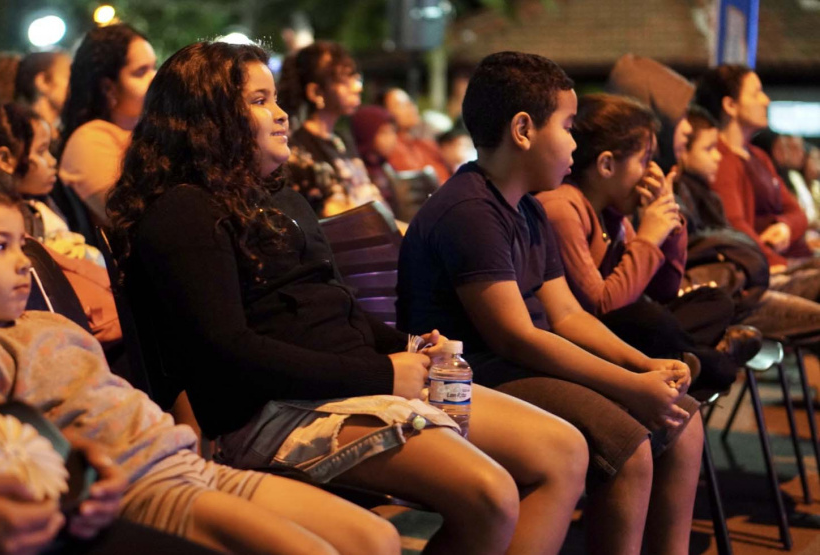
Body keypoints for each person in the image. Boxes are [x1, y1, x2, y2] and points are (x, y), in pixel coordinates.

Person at [108, 40, 589, 555]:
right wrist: (383, 375)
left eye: (275, 99)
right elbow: (229, 354)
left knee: (563, 452)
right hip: (272, 411)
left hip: (341, 385)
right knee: (489, 495)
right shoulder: (185, 211)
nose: (280, 115)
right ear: (206, 117)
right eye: (259, 101)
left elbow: (335, 312)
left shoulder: (279, 198)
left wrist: (408, 346)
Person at [0, 169, 401, 555]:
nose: (22, 262)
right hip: (141, 485)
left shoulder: (52, 325)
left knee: (376, 539)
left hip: (187, 461)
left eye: (21, 244)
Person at [397, 51, 703, 555]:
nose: (575, 143)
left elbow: (567, 315)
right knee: (629, 448)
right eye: (567, 126)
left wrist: (644, 365)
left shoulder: (529, 209)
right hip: (472, 375)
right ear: (523, 129)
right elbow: (515, 337)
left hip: (517, 366)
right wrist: (632, 386)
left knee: (682, 418)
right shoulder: (471, 210)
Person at [537, 93, 757, 393]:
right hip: (588, 339)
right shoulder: (563, 207)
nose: (651, 171)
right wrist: (649, 236)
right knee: (647, 319)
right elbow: (602, 306)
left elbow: (663, 289)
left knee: (714, 302)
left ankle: (688, 359)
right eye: (644, 160)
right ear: (606, 165)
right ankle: (704, 362)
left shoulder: (614, 212)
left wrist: (669, 227)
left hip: (624, 327)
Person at [0, 104, 120, 346]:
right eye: (42, 151)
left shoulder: (39, 207)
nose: (52, 161)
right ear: (5, 159)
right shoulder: (11, 218)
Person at [694, 65, 817, 279]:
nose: (765, 100)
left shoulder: (758, 156)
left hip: (792, 261)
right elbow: (736, 228)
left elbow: (798, 214)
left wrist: (786, 228)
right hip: (771, 270)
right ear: (730, 105)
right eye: (756, 93)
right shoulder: (721, 160)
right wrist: (776, 262)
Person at [59, 24, 156, 225]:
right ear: (108, 87)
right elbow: (129, 218)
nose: (154, 78)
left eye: (154, 67)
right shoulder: (89, 140)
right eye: (140, 72)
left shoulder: (146, 133)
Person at [278, 41, 385, 217]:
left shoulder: (340, 139)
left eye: (356, 78)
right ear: (315, 92)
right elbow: (332, 219)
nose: (358, 87)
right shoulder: (298, 150)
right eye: (344, 80)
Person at [379, 87, 452, 183]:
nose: (411, 106)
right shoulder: (390, 149)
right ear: (385, 112)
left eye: (410, 102)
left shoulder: (425, 144)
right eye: (401, 104)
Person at [349, 104, 397, 210]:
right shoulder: (357, 171)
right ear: (366, 134)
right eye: (384, 133)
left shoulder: (384, 167)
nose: (392, 139)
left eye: (393, 131)